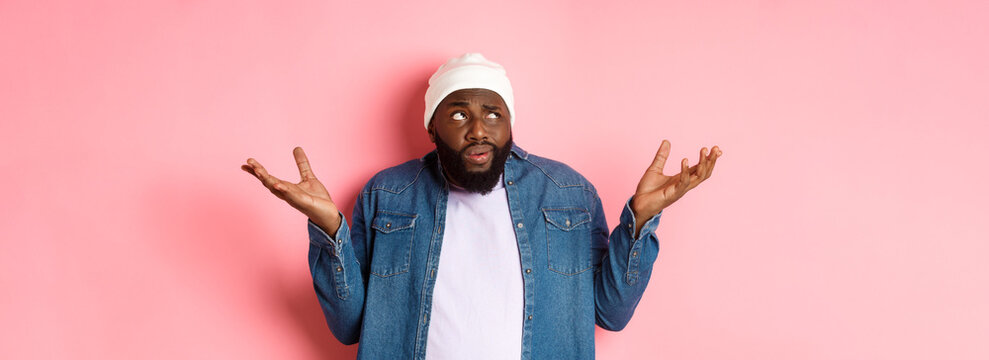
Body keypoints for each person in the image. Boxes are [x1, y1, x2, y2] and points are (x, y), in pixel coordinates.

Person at [241, 53, 722, 360]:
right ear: (432, 126)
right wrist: (329, 230)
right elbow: (349, 329)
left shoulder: (567, 193)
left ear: (510, 122)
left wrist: (638, 221)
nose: (478, 128)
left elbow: (611, 313)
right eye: (458, 114)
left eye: (494, 113)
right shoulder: (388, 195)